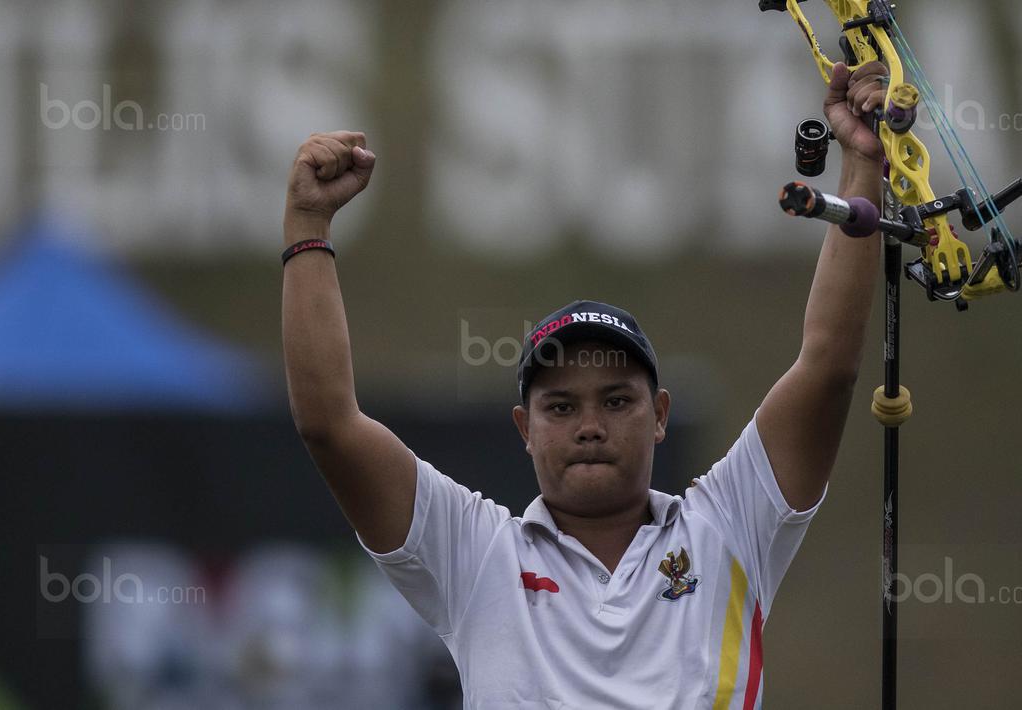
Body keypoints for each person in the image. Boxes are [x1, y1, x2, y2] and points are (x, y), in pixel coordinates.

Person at [282, 61, 889, 709]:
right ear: (524, 427)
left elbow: (827, 367)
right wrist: (306, 227)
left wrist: (859, 164)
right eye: (561, 406)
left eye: (617, 401)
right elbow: (329, 424)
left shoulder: (727, 528)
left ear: (659, 415)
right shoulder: (475, 554)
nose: (590, 425)